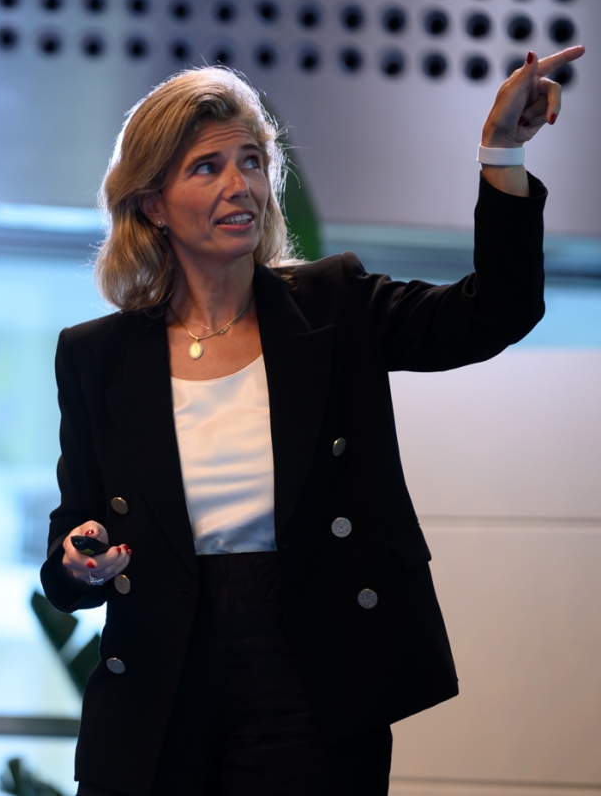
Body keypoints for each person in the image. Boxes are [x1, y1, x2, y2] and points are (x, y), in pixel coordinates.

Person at [40, 45, 586, 796]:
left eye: (251, 162)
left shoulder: (337, 305)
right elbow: (73, 535)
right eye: (207, 168)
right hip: (159, 680)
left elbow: (496, 310)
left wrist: (501, 152)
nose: (240, 185)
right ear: (152, 203)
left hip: (310, 665)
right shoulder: (94, 357)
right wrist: (78, 560)